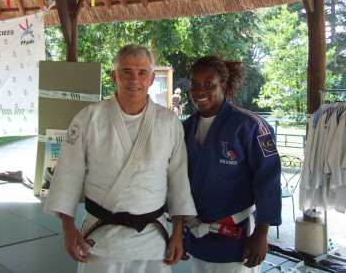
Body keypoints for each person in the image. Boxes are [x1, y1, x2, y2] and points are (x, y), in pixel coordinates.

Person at [44, 44, 197, 273]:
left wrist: (177, 232)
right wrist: (68, 227)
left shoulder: (169, 122)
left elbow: (178, 182)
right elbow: (67, 175)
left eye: (142, 72)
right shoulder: (88, 118)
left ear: (152, 78)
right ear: (115, 76)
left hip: (152, 240)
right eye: (126, 71)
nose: (134, 79)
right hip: (99, 237)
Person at [182, 55, 282, 273]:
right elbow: (177, 182)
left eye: (209, 84)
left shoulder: (251, 126)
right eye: (194, 84)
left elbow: (268, 181)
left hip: (238, 238)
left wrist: (262, 233)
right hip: (197, 236)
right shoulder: (186, 128)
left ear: (223, 86)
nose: (200, 91)